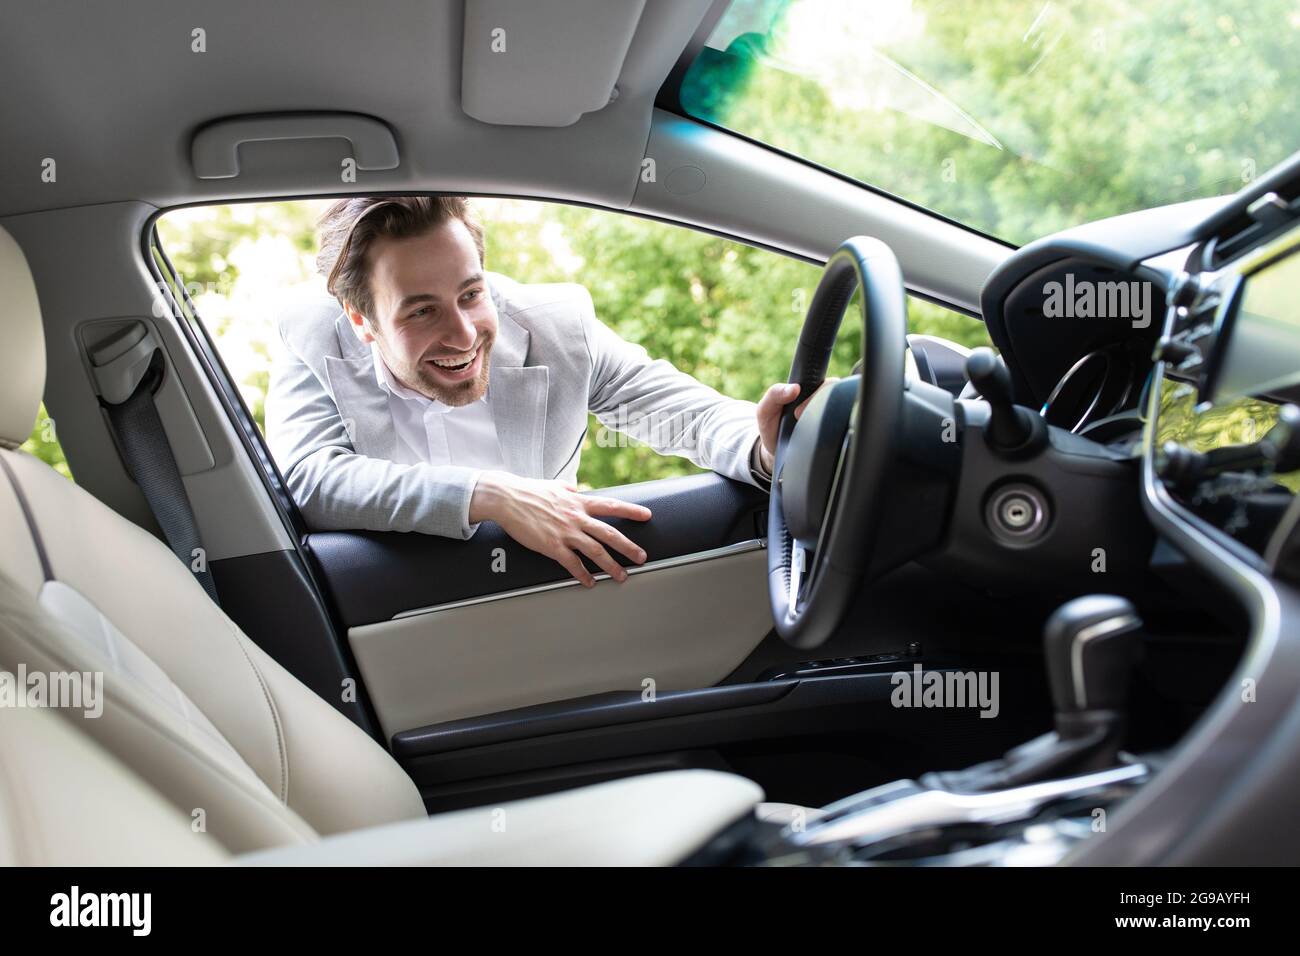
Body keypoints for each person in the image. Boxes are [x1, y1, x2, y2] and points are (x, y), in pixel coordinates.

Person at [266, 196, 812, 587]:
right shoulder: (314, 334)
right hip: (393, 609)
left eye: (471, 293)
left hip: (541, 592)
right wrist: (494, 494)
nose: (462, 333)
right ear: (362, 321)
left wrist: (769, 444)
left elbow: (685, 415)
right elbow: (312, 479)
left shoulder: (556, 328)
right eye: (422, 310)